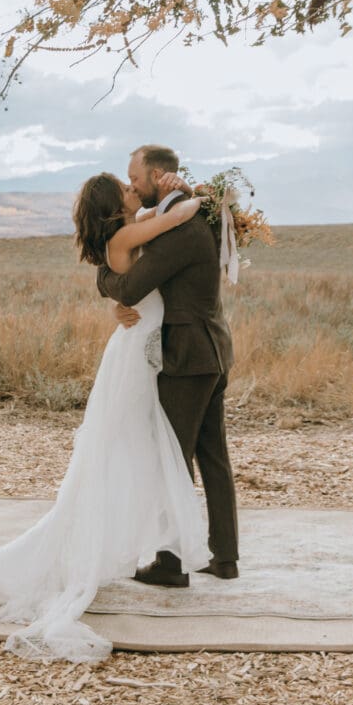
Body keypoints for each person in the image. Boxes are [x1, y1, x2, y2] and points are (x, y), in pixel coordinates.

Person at [0, 171, 211, 664]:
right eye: (128, 190)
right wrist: (205, 196)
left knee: (133, 445)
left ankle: (136, 534)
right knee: (127, 445)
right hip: (135, 355)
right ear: (116, 206)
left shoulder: (128, 228)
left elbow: (154, 222)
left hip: (139, 348)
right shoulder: (127, 234)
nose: (136, 192)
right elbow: (181, 215)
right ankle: (121, 538)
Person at [97, 144, 239, 588]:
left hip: (188, 358)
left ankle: (171, 563)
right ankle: (224, 557)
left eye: (135, 177)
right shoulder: (189, 216)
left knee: (170, 459)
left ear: (158, 176)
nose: (132, 185)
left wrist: (101, 275)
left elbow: (133, 284)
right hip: (211, 351)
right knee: (212, 456)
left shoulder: (182, 229)